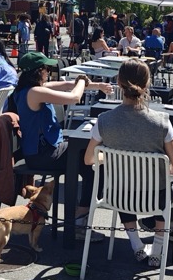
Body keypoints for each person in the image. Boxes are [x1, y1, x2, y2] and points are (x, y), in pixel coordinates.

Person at [83, 58, 173, 266]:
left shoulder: (104, 120)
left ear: (119, 83)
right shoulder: (162, 121)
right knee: (169, 189)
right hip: (155, 197)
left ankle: (136, 245)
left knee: (125, 183)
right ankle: (157, 249)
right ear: (147, 84)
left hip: (119, 196)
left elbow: (89, 159)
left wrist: (111, 159)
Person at [13, 51, 111, 227]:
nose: (48, 71)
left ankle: (79, 217)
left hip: (40, 151)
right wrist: (82, 81)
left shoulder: (27, 90)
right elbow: (74, 97)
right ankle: (78, 220)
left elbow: (66, 85)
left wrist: (97, 85)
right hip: (43, 154)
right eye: (46, 68)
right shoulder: (35, 92)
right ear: (37, 71)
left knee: (90, 165)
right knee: (92, 158)